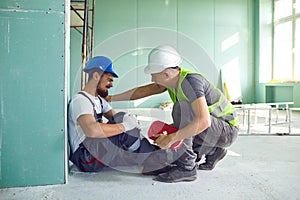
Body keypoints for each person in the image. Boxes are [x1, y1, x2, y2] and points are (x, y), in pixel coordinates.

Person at [107, 45, 239, 182]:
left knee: (182, 109)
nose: (152, 79)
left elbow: (204, 121)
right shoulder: (172, 81)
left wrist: (171, 138)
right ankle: (212, 151)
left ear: (166, 73)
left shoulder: (190, 83)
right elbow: (142, 92)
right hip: (213, 131)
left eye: (153, 74)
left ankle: (187, 168)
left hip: (227, 130)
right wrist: (110, 98)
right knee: (175, 140)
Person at [68, 56, 162, 173]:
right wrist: (125, 126)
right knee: (122, 122)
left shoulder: (99, 100)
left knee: (124, 124)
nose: (111, 85)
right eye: (109, 80)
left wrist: (131, 123)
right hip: (86, 158)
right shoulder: (81, 100)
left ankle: (156, 155)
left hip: (96, 151)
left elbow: (119, 120)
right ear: (96, 76)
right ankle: (155, 162)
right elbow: (91, 130)